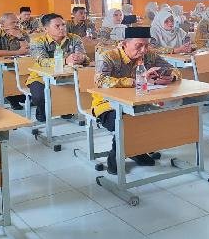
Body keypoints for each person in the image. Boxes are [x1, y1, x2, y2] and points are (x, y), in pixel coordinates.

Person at [92, 26, 182, 174]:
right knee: (125, 121)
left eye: (147, 45)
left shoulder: (149, 56)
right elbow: (100, 81)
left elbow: (174, 69)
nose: (143, 50)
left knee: (157, 116)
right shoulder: (108, 56)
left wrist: (169, 77)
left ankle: (137, 150)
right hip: (108, 105)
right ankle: (116, 156)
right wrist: (136, 81)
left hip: (139, 101)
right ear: (124, 44)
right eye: (139, 46)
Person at [26, 13, 89, 122]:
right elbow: (42, 61)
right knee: (39, 96)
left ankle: (66, 109)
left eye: (63, 25)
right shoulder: (38, 41)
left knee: (82, 88)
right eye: (57, 26)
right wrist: (65, 60)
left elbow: (84, 57)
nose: (62, 28)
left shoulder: (75, 38)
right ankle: (42, 110)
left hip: (68, 75)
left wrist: (81, 58)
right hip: (41, 77)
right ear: (46, 29)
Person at [0, 12, 29, 110]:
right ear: (2, 24)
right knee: (3, 75)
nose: (16, 25)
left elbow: (27, 49)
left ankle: (22, 96)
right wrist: (17, 52)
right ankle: (12, 99)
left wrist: (20, 37)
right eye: (13, 22)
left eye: (17, 22)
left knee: (27, 73)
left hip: (18, 64)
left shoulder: (22, 33)